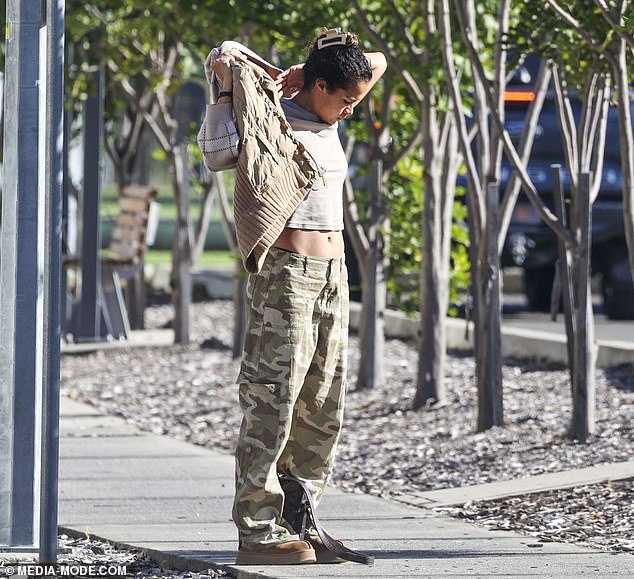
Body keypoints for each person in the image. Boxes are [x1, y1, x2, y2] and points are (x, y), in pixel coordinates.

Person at [198, 28, 386, 566]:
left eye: (355, 99)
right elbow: (216, 155)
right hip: (285, 273)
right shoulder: (266, 115)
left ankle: (300, 523)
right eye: (344, 99)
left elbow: (378, 60)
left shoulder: (329, 100)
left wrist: (316, 64)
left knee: (324, 405)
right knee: (273, 398)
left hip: (333, 272)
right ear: (320, 86)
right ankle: (256, 531)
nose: (351, 109)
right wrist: (227, 86)